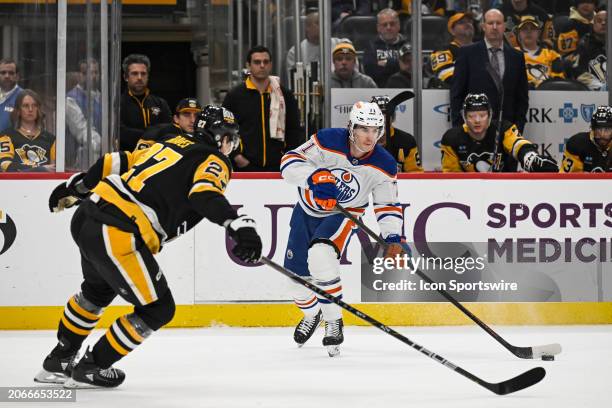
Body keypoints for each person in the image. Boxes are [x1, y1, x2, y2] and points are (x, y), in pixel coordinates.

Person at [35, 105, 263, 389]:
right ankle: (93, 366)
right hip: (117, 231)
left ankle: (58, 360)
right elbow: (204, 193)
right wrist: (237, 223)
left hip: (88, 217)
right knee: (158, 309)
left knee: (96, 291)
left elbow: (113, 161)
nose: (231, 145)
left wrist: (77, 187)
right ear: (221, 139)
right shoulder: (215, 159)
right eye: (230, 137)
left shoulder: (173, 141)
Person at [279, 101, 408, 357]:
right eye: (363, 129)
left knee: (321, 256)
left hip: (344, 215)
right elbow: (289, 161)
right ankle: (312, 313)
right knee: (295, 283)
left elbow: (387, 204)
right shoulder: (327, 140)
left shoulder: (385, 164)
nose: (370, 136)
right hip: (306, 210)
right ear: (351, 128)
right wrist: (314, 177)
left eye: (375, 130)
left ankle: (333, 320)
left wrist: (392, 236)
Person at [222, 45, 302, 171]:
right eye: (257, 62)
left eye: (265, 62)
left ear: (270, 65)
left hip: (279, 167)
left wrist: (288, 157)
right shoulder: (235, 95)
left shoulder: (284, 94)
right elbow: (225, 129)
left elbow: (294, 129)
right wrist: (236, 157)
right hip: (244, 168)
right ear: (248, 65)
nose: (262, 65)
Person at [451, 9, 529, 132]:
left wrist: (518, 127)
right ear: (483, 26)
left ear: (504, 26)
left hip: (508, 129)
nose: (494, 27)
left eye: (498, 23)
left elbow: (522, 97)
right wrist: (459, 129)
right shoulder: (467, 53)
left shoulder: (517, 57)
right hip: (475, 128)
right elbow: (457, 94)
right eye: (490, 23)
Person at [441, 93, 557, 172]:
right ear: (464, 117)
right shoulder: (451, 138)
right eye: (471, 116)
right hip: (468, 192)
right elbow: (451, 175)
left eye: (482, 115)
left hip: (503, 189)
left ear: (490, 115)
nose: (477, 120)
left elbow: (517, 144)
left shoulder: (504, 128)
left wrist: (529, 157)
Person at [119, 54, 172, 151]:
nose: (139, 77)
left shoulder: (160, 103)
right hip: (129, 160)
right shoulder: (118, 104)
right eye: (134, 73)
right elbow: (121, 133)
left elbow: (169, 130)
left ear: (147, 76)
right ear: (126, 77)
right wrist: (154, 133)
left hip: (157, 159)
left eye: (143, 74)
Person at [0, 89, 55, 172]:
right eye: (25, 106)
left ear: (38, 109)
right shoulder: (6, 136)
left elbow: (56, 169)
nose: (30, 109)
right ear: (18, 110)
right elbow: (5, 166)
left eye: (34, 105)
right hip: (16, 184)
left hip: (44, 184)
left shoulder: (51, 139)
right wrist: (40, 169)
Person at [66, 58, 102, 169]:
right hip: (79, 162)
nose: (93, 76)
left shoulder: (101, 97)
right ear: (79, 75)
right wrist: (102, 144)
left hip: (101, 158)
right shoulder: (70, 99)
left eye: (96, 72)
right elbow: (81, 130)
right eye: (87, 73)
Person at [371, 95, 423, 172]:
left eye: (385, 115)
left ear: (393, 118)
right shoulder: (359, 140)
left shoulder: (406, 141)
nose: (382, 119)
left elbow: (416, 174)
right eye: (377, 116)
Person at [514, 15, 565, 88]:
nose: (529, 32)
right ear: (519, 33)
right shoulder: (512, 54)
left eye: (532, 28)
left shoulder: (552, 55)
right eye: (524, 29)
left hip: (546, 93)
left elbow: (558, 81)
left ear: (538, 32)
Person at [134, 97, 202, 151]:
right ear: (176, 119)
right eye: (187, 115)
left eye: (196, 115)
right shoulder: (158, 132)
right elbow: (139, 157)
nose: (193, 120)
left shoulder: (204, 137)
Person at [363, 8, 407, 88]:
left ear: (399, 25)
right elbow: (372, 71)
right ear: (378, 28)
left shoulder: (408, 45)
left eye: (392, 24)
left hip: (405, 90)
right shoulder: (371, 47)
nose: (388, 28)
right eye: (384, 25)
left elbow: (412, 70)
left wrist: (385, 63)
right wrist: (399, 63)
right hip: (379, 91)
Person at [560, 105, 612, 172]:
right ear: (592, 128)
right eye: (598, 129)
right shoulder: (577, 144)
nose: (602, 134)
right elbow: (565, 178)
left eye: (607, 130)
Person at [429, 12, 475, 88]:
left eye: (470, 22)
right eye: (462, 22)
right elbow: (447, 76)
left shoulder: (482, 48)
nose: (468, 24)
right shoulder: (442, 50)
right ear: (452, 31)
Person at [573, 9, 607, 91]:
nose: (603, 23)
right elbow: (579, 72)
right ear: (593, 24)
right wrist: (600, 87)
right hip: (594, 94)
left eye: (607, 21)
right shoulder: (584, 44)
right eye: (599, 21)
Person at [0, 58, 22, 132]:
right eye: (3, 73)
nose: (7, 76)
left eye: (11, 73)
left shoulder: (24, 97)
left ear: (17, 76)